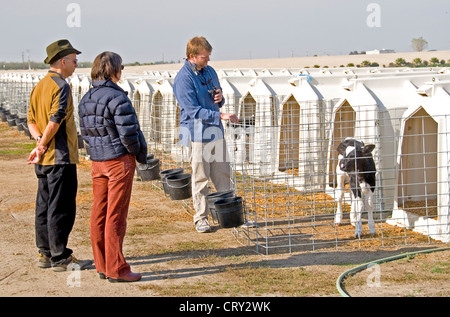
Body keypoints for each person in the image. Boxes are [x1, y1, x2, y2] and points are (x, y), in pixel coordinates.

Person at [78, 51, 148, 283]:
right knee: (116, 216)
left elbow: (86, 132)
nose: (122, 71)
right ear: (113, 70)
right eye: (121, 67)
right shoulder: (118, 98)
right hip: (118, 160)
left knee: (99, 212)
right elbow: (128, 133)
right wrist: (137, 151)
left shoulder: (86, 98)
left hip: (98, 161)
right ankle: (117, 268)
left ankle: (102, 264)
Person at [27, 39, 92, 271]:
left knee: (43, 204)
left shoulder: (39, 86)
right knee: (61, 206)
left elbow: (31, 121)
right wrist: (44, 145)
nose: (76, 65)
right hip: (59, 156)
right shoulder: (61, 87)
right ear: (62, 61)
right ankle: (60, 256)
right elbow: (55, 121)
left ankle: (44, 253)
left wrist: (37, 144)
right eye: (74, 61)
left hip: (43, 159)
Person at [173, 36, 239, 233]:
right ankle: (201, 217)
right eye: (204, 57)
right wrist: (221, 114)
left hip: (215, 131)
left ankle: (226, 212)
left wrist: (220, 98)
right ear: (192, 56)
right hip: (197, 133)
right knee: (201, 176)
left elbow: (217, 95)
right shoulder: (183, 79)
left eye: (209, 56)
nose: (208, 60)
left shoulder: (209, 71)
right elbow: (192, 111)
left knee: (222, 172)